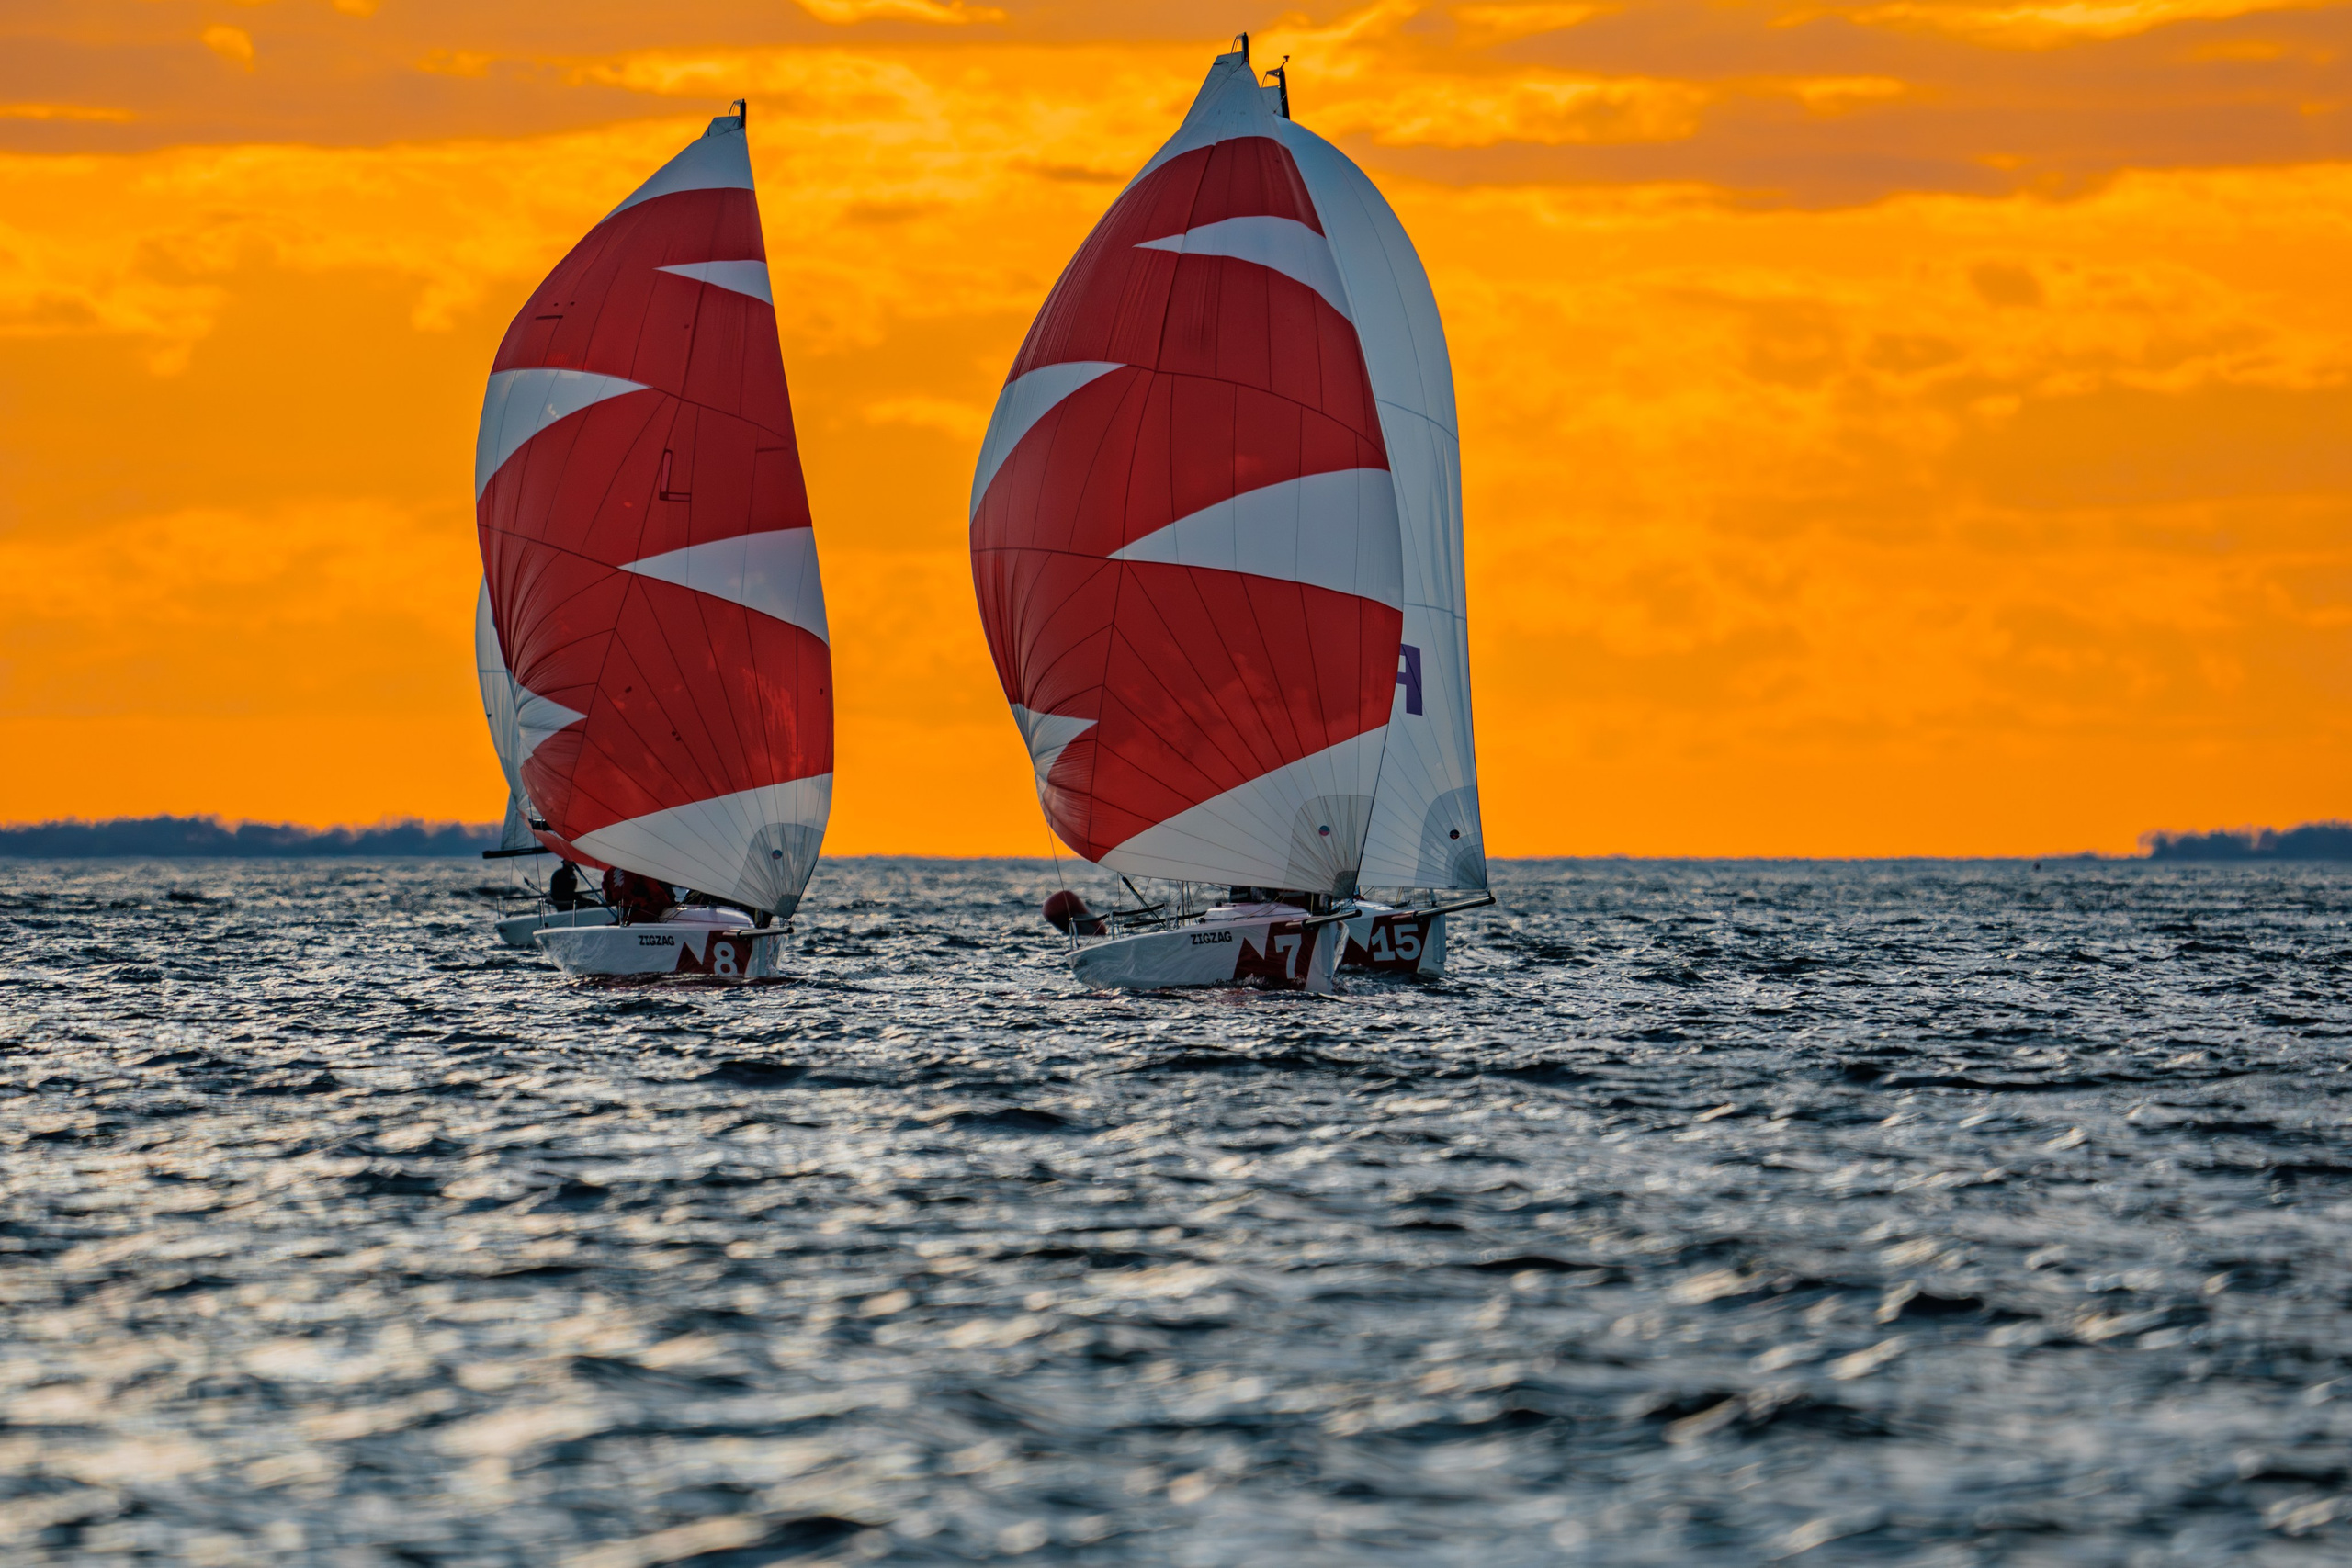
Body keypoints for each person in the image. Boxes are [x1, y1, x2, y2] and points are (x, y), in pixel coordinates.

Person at [601, 866, 674, 925]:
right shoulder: (639, 869)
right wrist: (670, 904)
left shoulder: (609, 872)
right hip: (642, 914)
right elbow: (658, 896)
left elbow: (608, 898)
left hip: (623, 915)